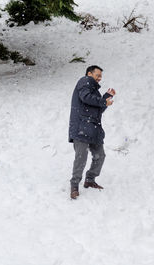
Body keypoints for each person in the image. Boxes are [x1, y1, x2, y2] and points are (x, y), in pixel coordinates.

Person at [68, 65, 116, 199]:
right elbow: (85, 98)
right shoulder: (84, 81)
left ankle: (90, 179)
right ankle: (74, 185)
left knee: (100, 155)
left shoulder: (94, 91)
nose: (99, 78)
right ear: (89, 74)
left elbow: (97, 110)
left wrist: (106, 99)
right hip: (81, 127)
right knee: (81, 157)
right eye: (97, 75)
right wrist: (102, 100)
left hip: (93, 129)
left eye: (101, 76)